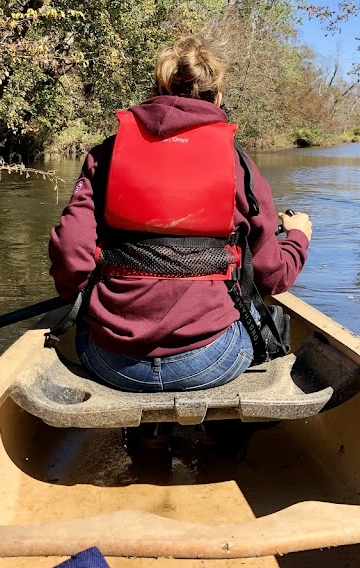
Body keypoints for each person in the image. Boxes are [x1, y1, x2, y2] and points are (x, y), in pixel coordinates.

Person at [48, 36, 312, 392]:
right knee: (264, 318)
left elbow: (70, 256)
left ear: (157, 91)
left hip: (111, 359)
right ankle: (214, 438)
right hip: (211, 360)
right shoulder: (239, 166)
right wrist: (297, 237)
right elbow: (271, 278)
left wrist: (82, 296)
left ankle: (149, 440)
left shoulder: (106, 155)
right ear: (217, 98)